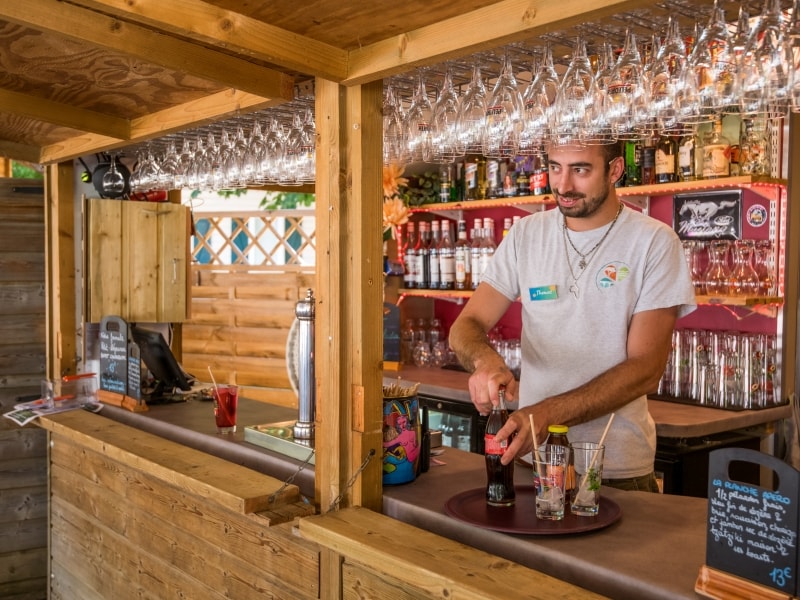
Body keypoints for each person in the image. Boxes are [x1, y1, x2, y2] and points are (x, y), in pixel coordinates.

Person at [448, 141, 696, 491]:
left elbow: (646, 369)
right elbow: (466, 325)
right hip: (533, 462)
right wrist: (484, 361)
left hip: (614, 469)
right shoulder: (526, 234)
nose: (563, 185)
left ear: (614, 170)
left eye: (580, 169)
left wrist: (548, 414)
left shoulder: (653, 242)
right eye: (555, 168)